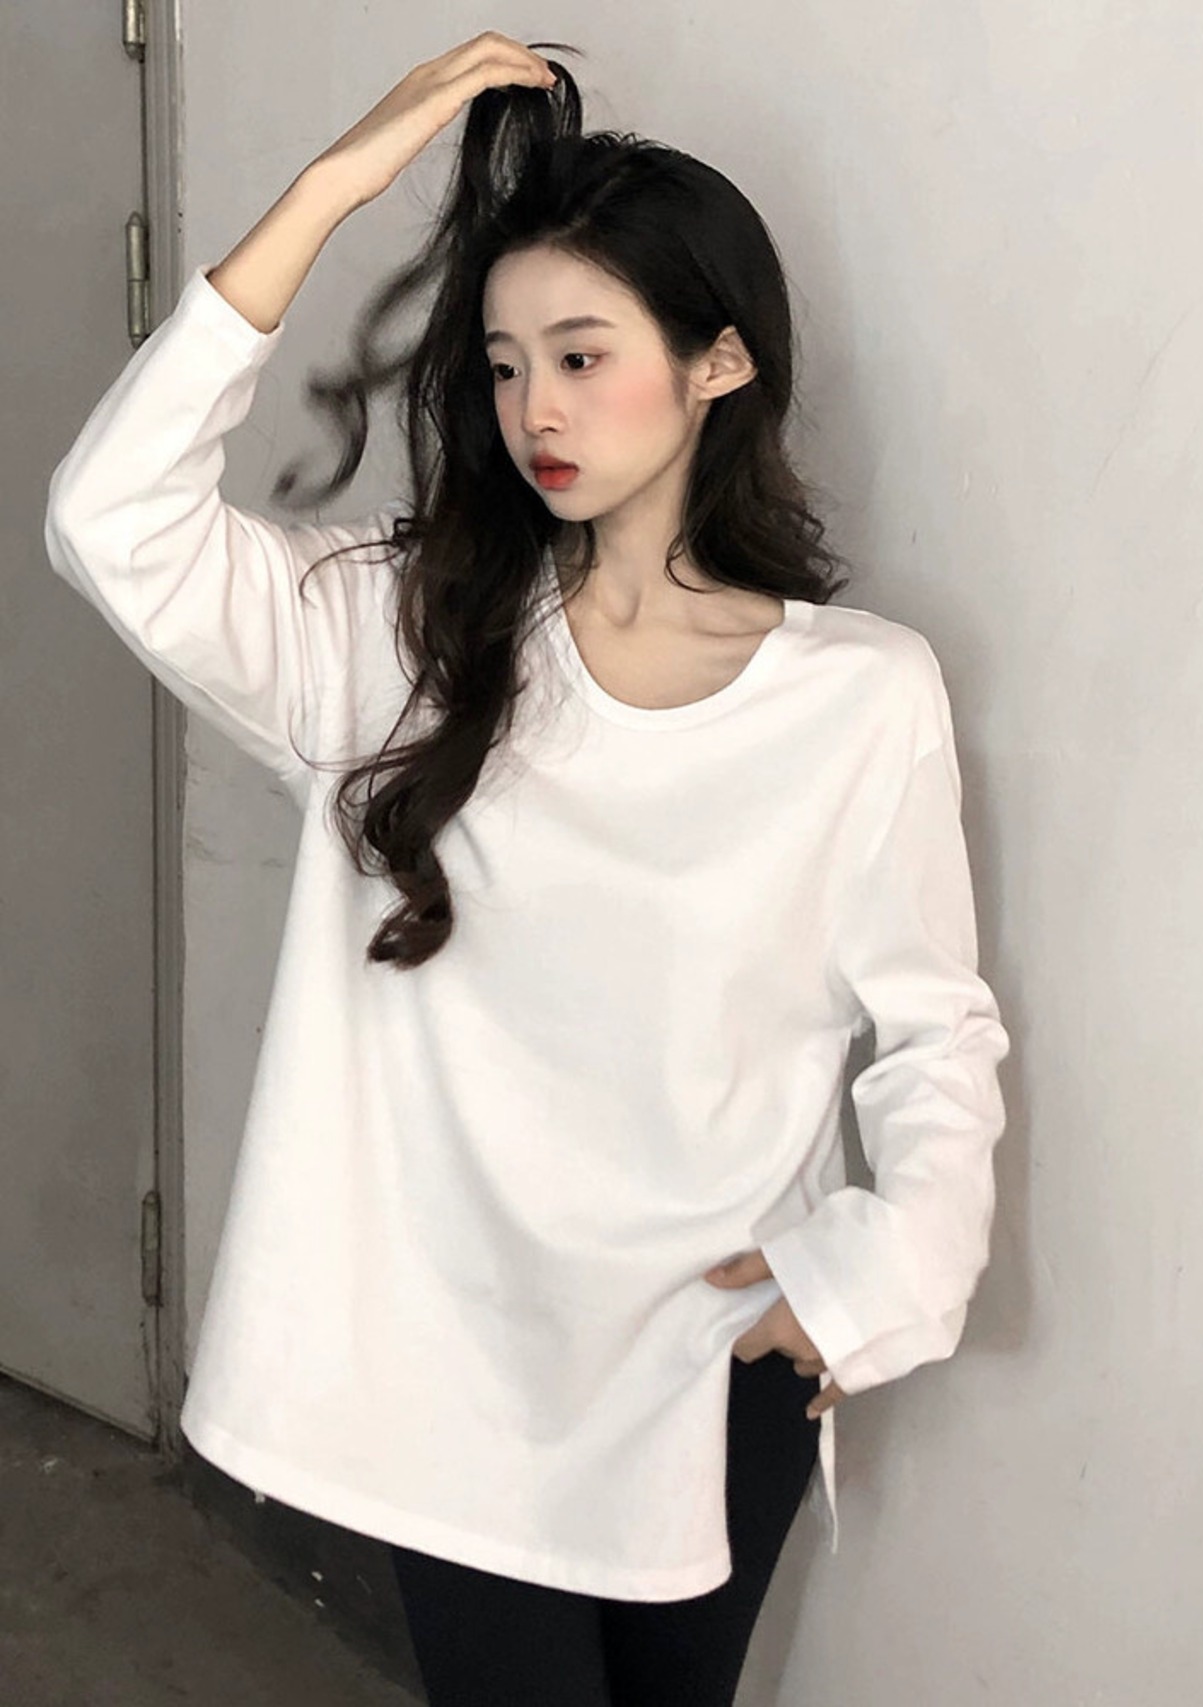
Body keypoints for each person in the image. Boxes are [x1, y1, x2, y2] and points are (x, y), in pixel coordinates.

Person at [43, 31, 1010, 1706]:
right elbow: (111, 520)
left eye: (581, 355)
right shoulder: (401, 637)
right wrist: (335, 186)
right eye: (503, 366)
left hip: (711, 1361)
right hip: (459, 1386)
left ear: (717, 363)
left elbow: (936, 1029)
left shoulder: (861, 698)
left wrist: (872, 1280)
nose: (535, 410)